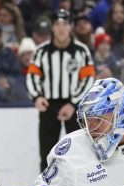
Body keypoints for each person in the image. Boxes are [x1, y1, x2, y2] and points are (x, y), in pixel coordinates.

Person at [26, 9, 95, 172]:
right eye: (57, 24)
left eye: (65, 24)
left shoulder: (81, 51)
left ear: (71, 26)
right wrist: (37, 97)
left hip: (76, 107)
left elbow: (88, 79)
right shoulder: (41, 51)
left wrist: (73, 103)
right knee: (47, 155)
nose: (61, 28)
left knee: (80, 153)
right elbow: (32, 76)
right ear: (52, 27)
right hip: (48, 106)